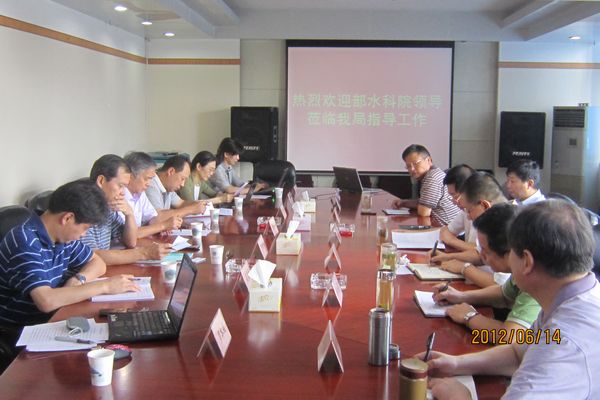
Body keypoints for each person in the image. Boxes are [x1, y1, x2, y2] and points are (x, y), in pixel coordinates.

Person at [421, 200, 600, 399]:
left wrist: (460, 397)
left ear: (527, 262)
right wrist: (456, 364)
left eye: (511, 251)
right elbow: (518, 353)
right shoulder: (564, 299)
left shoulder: (566, 342)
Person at [0, 180, 140, 370]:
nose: (83, 235)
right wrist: (105, 286)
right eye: (85, 228)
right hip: (20, 332)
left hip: (54, 318)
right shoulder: (24, 240)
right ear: (67, 218)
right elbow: (46, 301)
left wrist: (78, 279)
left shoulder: (61, 237)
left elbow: (97, 262)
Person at [433, 203, 541, 342]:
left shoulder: (536, 278)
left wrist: (470, 317)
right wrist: (461, 296)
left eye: (485, 250)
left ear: (510, 252)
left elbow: (511, 338)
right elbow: (504, 295)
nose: (481, 256)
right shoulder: (520, 266)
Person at [81, 154, 170, 265]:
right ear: (101, 181)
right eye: (120, 186)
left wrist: (129, 214)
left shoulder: (108, 208)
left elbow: (130, 242)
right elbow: (92, 256)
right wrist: (144, 253)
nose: (123, 192)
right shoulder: (83, 208)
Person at [434, 172, 509, 288]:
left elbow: (501, 285)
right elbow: (479, 255)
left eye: (469, 211)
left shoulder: (508, 225)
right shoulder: (494, 220)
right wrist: (448, 257)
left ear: (484, 205)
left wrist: (464, 268)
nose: (468, 217)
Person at [392, 144, 460, 225]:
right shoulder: (433, 173)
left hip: (447, 229)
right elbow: (424, 203)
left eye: (415, 163)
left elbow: (424, 212)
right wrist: (403, 203)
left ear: (429, 160)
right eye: (408, 166)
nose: (412, 169)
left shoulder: (432, 178)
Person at [123, 151, 183, 238]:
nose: (149, 183)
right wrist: (163, 226)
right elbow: (131, 234)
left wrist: (164, 226)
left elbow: (152, 218)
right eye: (146, 179)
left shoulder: (140, 194)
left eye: (151, 179)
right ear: (131, 176)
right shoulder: (120, 196)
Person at [437, 164, 477, 252]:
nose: (454, 202)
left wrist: (451, 241)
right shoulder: (465, 210)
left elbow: (480, 252)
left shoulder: (489, 212)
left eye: (455, 196)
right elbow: (445, 231)